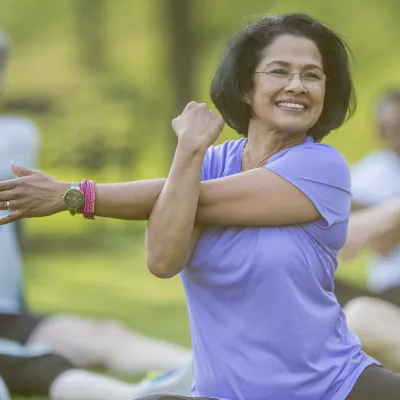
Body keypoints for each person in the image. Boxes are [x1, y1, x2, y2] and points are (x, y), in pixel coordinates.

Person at [1, 12, 400, 399]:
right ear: (246, 86)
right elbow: (162, 260)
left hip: (336, 389)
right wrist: (189, 150)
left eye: (311, 75)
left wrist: (71, 195)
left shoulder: (322, 167)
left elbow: (200, 199)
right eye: (279, 71)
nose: (297, 84)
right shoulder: (205, 165)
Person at [0, 28, 191, 377]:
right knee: (50, 371)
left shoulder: (15, 133)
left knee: (101, 337)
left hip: (8, 316)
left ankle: (198, 371)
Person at [334, 89, 400, 308]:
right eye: (386, 126)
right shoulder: (374, 168)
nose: (391, 133)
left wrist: (382, 215)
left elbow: (385, 242)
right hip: (388, 288)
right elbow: (336, 201)